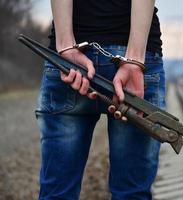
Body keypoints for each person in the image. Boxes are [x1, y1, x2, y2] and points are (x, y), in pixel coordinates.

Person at [35, 0, 165, 199]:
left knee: (56, 193)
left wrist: (65, 45)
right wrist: (134, 60)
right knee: (132, 194)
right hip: (137, 58)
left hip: (69, 60)